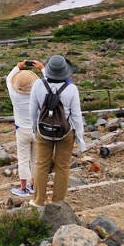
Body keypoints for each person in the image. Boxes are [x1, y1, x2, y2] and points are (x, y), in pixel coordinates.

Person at [29, 55, 86, 208]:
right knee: (63, 167)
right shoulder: (72, 89)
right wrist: (80, 138)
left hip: (43, 131)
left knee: (41, 165)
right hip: (65, 133)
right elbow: (76, 115)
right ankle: (58, 203)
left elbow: (32, 110)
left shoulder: (38, 85)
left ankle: (38, 201)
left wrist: (35, 129)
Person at [5, 59, 44, 196]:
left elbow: (9, 78)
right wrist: (42, 68)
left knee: (23, 159)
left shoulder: (14, 94)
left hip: (21, 129)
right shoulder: (39, 94)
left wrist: (18, 66)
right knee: (35, 159)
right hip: (38, 129)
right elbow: (51, 86)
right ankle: (32, 185)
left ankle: (23, 188)